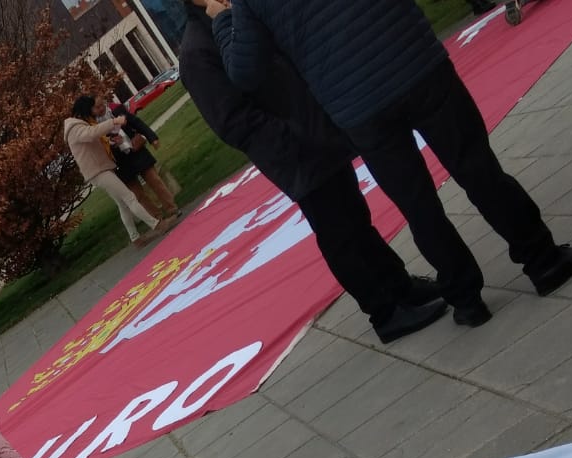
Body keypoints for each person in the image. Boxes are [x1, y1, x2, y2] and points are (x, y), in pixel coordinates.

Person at [212, 0, 572, 327]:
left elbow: (246, 71)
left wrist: (224, 19)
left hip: (354, 102)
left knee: (417, 202)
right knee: (477, 167)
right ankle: (542, 260)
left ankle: (466, 297)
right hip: (413, 59)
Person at [178, 0, 447, 343]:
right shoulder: (197, 50)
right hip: (294, 151)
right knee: (339, 235)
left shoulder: (236, 15)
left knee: (354, 219)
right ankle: (385, 313)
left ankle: (399, 287)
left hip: (318, 129)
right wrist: (293, 137)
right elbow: (232, 122)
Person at [64, 95, 169, 246]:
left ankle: (135, 238)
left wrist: (110, 141)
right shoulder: (75, 127)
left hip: (101, 169)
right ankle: (157, 225)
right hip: (98, 171)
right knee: (129, 197)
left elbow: (94, 139)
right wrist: (114, 121)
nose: (94, 114)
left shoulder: (77, 125)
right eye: (92, 110)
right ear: (85, 110)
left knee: (123, 204)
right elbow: (92, 133)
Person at [103, 95, 181, 224]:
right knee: (137, 194)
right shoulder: (93, 126)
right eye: (96, 108)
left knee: (155, 180)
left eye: (102, 105)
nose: (100, 109)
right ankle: (157, 219)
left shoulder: (116, 110)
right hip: (120, 161)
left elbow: (136, 122)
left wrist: (152, 138)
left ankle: (172, 208)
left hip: (136, 150)